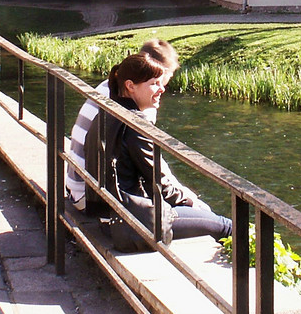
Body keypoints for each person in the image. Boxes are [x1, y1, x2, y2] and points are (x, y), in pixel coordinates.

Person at [95, 49, 232, 242]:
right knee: (225, 226)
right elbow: (159, 184)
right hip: (133, 217)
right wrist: (192, 202)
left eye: (161, 83)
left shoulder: (108, 109)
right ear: (130, 86)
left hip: (111, 207)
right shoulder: (136, 125)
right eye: (154, 84)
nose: (162, 89)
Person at [66, 38, 179, 211]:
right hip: (92, 195)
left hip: (76, 183)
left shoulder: (110, 85)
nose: (163, 87)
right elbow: (152, 163)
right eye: (163, 78)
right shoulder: (140, 102)